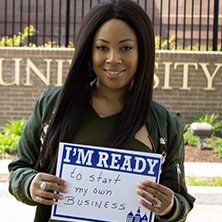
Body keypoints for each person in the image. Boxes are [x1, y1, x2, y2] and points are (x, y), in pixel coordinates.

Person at [8, 0, 195, 221]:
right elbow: (19, 169)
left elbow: (181, 202)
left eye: (126, 48)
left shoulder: (163, 124)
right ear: (89, 51)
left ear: (142, 52)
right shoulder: (53, 105)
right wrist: (30, 185)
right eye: (102, 47)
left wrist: (169, 207)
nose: (113, 58)